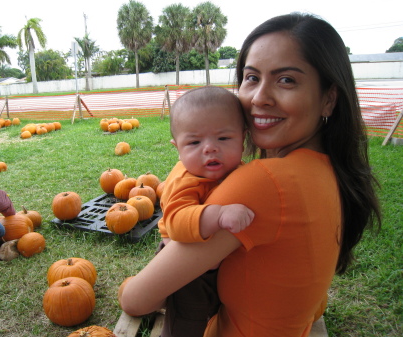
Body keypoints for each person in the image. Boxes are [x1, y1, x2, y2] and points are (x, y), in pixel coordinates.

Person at [118, 12, 381, 337]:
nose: (259, 97)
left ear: (329, 98)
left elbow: (136, 300)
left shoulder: (264, 182)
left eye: (286, 80)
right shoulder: (326, 167)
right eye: (252, 77)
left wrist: (131, 285)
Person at [156, 86, 255, 337]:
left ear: (242, 138)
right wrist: (219, 215)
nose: (210, 148)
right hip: (187, 270)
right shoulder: (185, 179)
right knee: (187, 321)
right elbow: (177, 222)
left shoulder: (238, 170)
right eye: (194, 142)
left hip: (218, 262)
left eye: (223, 138)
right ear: (177, 147)